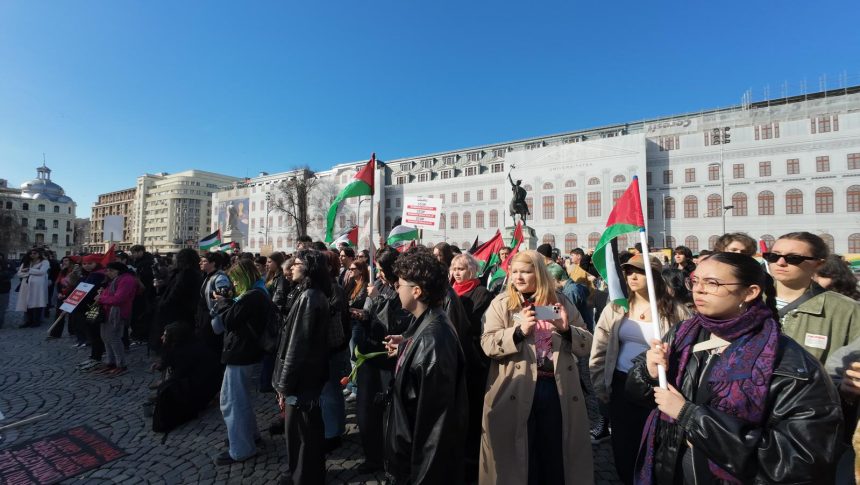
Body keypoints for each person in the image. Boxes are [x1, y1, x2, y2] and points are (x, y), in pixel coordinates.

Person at [627, 252, 843, 484]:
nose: (698, 290)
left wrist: (690, 415)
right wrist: (648, 372)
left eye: (712, 283)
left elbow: (798, 459)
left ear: (750, 292)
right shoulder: (682, 334)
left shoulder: (788, 362)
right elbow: (639, 394)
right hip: (674, 470)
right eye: (695, 280)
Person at [480, 250, 594, 485]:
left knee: (553, 452)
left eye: (525, 272)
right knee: (520, 455)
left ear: (539, 274)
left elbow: (587, 342)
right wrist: (518, 332)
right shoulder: (503, 304)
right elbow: (487, 343)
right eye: (514, 272)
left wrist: (566, 330)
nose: (518, 277)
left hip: (555, 389)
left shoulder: (560, 301)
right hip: (516, 388)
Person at [589, 255, 690, 484]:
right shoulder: (617, 308)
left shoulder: (674, 310)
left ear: (654, 276)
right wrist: (600, 385)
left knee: (655, 445)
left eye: (640, 271)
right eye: (629, 271)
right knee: (624, 446)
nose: (632, 276)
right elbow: (599, 350)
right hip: (621, 383)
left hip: (657, 389)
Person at [384, 248, 468, 484]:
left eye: (400, 285)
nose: (396, 289)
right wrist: (406, 345)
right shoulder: (428, 325)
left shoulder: (432, 342)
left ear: (417, 291)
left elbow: (434, 431)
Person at [272, 249, 331, 485]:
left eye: (296, 263)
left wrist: (284, 385)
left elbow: (296, 345)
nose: (291, 267)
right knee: (307, 429)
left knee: (301, 432)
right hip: (310, 375)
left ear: (308, 268)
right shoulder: (312, 294)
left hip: (303, 377)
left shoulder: (309, 297)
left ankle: (303, 477)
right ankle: (307, 473)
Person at [354, 247, 411, 474]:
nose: (377, 275)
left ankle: (388, 458)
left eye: (380, 269)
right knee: (366, 411)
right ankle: (373, 456)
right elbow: (373, 316)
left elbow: (396, 325)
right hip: (370, 356)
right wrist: (362, 314)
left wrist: (377, 301)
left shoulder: (401, 289)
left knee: (386, 413)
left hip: (387, 359)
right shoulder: (379, 285)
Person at [766, 231, 860, 363]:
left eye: (793, 258)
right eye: (773, 256)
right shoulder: (744, 300)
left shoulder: (847, 309)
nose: (780, 262)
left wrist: (841, 382)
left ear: (819, 264)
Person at [212, 260, 269, 466]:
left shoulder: (253, 296)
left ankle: (241, 449)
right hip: (245, 351)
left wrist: (222, 302)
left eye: (235, 280)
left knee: (232, 401)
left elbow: (229, 320)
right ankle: (249, 436)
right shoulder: (258, 292)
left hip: (242, 352)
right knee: (239, 398)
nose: (233, 285)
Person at [449, 252, 492, 481]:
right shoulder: (449, 292)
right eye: (454, 268)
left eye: (461, 269)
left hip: (473, 358)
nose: (457, 273)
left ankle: (474, 458)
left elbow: (474, 325)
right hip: (453, 356)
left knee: (473, 408)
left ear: (472, 271)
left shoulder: (481, 293)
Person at [153, 248, 202, 354]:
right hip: (184, 314)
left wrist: (162, 304)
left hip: (178, 315)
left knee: (176, 346)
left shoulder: (186, 274)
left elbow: (175, 294)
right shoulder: (191, 273)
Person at [94, 262, 138, 376]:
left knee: (114, 338)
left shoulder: (127, 280)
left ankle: (121, 364)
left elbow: (119, 298)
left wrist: (101, 298)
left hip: (117, 313)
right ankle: (110, 362)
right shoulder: (115, 280)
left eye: (109, 270)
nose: (107, 273)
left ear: (116, 270)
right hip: (108, 311)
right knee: (105, 337)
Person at [16, 248, 50, 328]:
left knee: (37, 302)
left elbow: (42, 272)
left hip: (38, 286)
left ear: (39, 254)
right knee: (27, 302)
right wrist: (31, 273)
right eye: (31, 253)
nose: (32, 255)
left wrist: (29, 270)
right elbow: (19, 273)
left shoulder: (44, 262)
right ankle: (28, 321)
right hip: (26, 285)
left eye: (35, 253)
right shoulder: (27, 262)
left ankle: (36, 321)